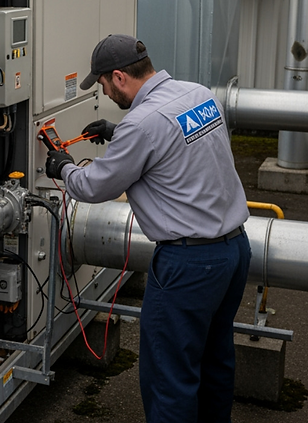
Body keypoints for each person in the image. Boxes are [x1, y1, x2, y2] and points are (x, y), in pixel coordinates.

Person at [45, 34, 250, 423]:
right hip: (233, 253)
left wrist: (63, 167)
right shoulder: (199, 94)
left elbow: (95, 186)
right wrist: (116, 131)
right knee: (214, 359)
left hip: (189, 265)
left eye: (103, 84)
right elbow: (173, 145)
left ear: (119, 77)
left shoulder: (141, 124)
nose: (105, 93)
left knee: (169, 377)